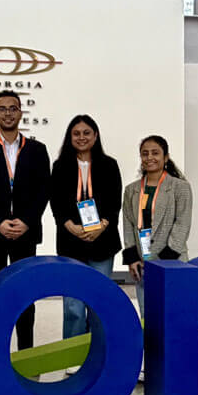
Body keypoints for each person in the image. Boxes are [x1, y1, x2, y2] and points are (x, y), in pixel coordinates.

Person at [0, 90, 51, 350]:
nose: (7, 113)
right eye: (2, 108)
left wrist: (26, 221)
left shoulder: (38, 150)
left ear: (20, 112)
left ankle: (25, 350)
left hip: (25, 234)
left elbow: (43, 191)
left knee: (24, 293)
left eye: (12, 108)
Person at [50, 115, 122, 343]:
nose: (82, 137)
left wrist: (102, 226)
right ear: (70, 137)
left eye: (86, 133)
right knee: (73, 307)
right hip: (71, 243)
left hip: (102, 242)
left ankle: (99, 355)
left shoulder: (109, 165)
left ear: (96, 135)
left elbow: (114, 202)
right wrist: (70, 226)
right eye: (76, 133)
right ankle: (71, 359)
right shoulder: (60, 166)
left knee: (99, 304)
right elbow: (56, 202)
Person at [121, 135, 192, 321]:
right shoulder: (131, 190)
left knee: (174, 317)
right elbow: (128, 224)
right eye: (145, 154)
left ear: (166, 157)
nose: (149, 157)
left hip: (172, 262)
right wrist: (132, 258)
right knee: (149, 318)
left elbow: (182, 225)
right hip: (142, 266)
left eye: (155, 153)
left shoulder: (180, 187)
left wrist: (161, 262)